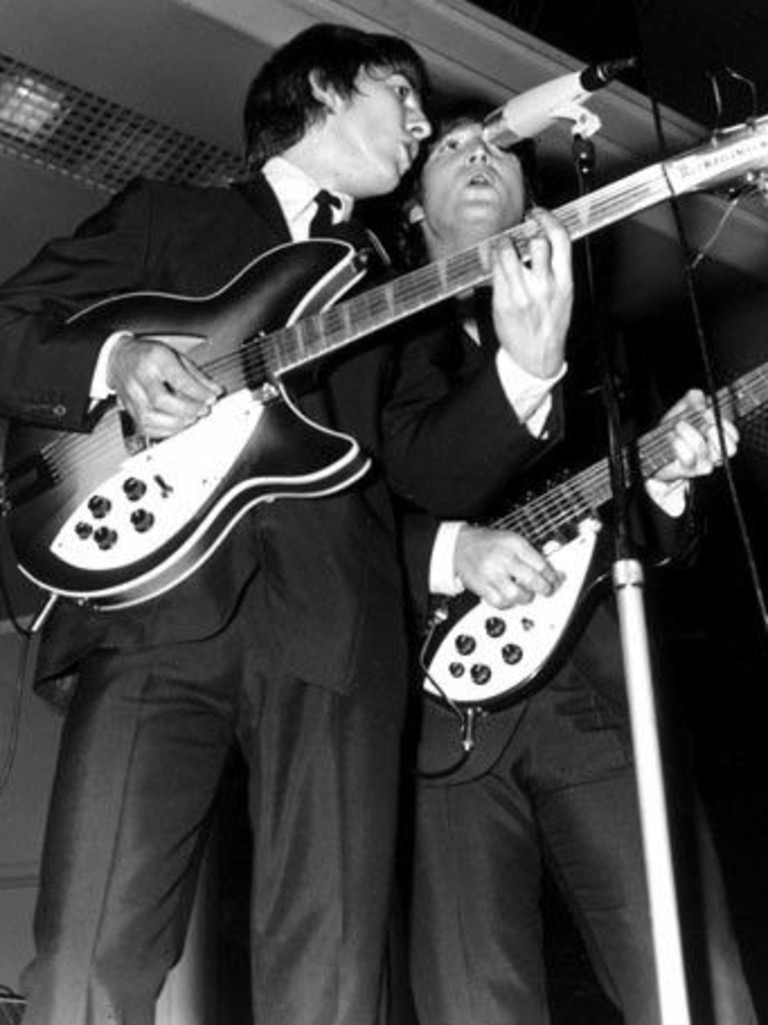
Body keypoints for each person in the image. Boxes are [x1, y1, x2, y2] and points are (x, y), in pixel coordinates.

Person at [0, 23, 436, 1025]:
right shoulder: (170, 214)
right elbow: (11, 321)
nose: (422, 124)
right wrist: (115, 364)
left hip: (334, 628)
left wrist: (527, 369)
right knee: (86, 958)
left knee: (330, 979)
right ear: (325, 86)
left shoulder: (393, 287)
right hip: (154, 609)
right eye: (401, 94)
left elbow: (432, 461)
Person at [383, 101, 757, 1024]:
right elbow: (324, 520)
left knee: (687, 978)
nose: (482, 157)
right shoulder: (366, 343)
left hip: (591, 685)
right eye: (452, 149)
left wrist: (672, 472)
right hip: (429, 709)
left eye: (500, 151)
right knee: (475, 997)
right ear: (413, 211)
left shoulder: (599, 346)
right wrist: (447, 549)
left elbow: (646, 531)